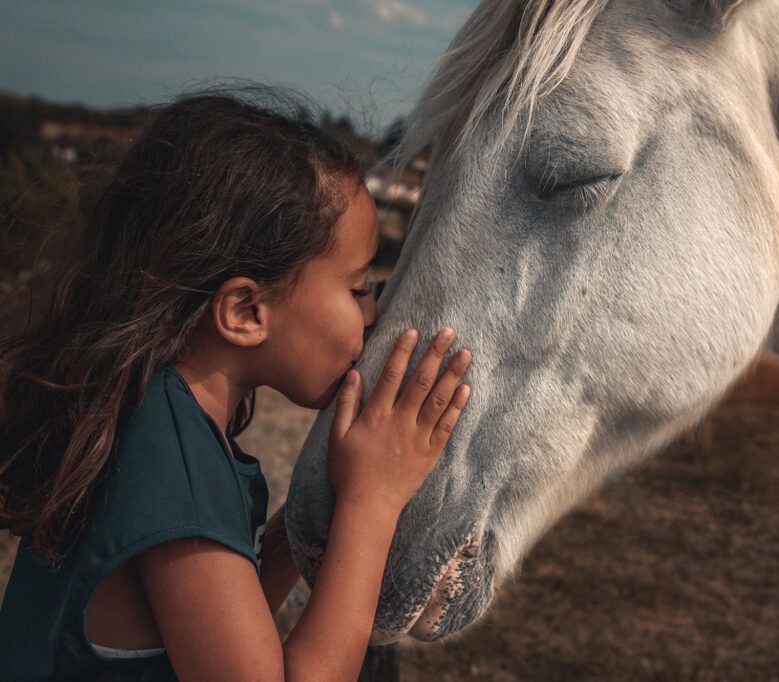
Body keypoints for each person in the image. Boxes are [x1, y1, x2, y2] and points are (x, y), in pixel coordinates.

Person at [0, 89, 472, 680]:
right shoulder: (174, 465)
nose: (373, 313)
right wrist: (372, 499)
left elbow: (222, 629)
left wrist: (318, 511)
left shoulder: (154, 416)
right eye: (356, 288)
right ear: (246, 312)